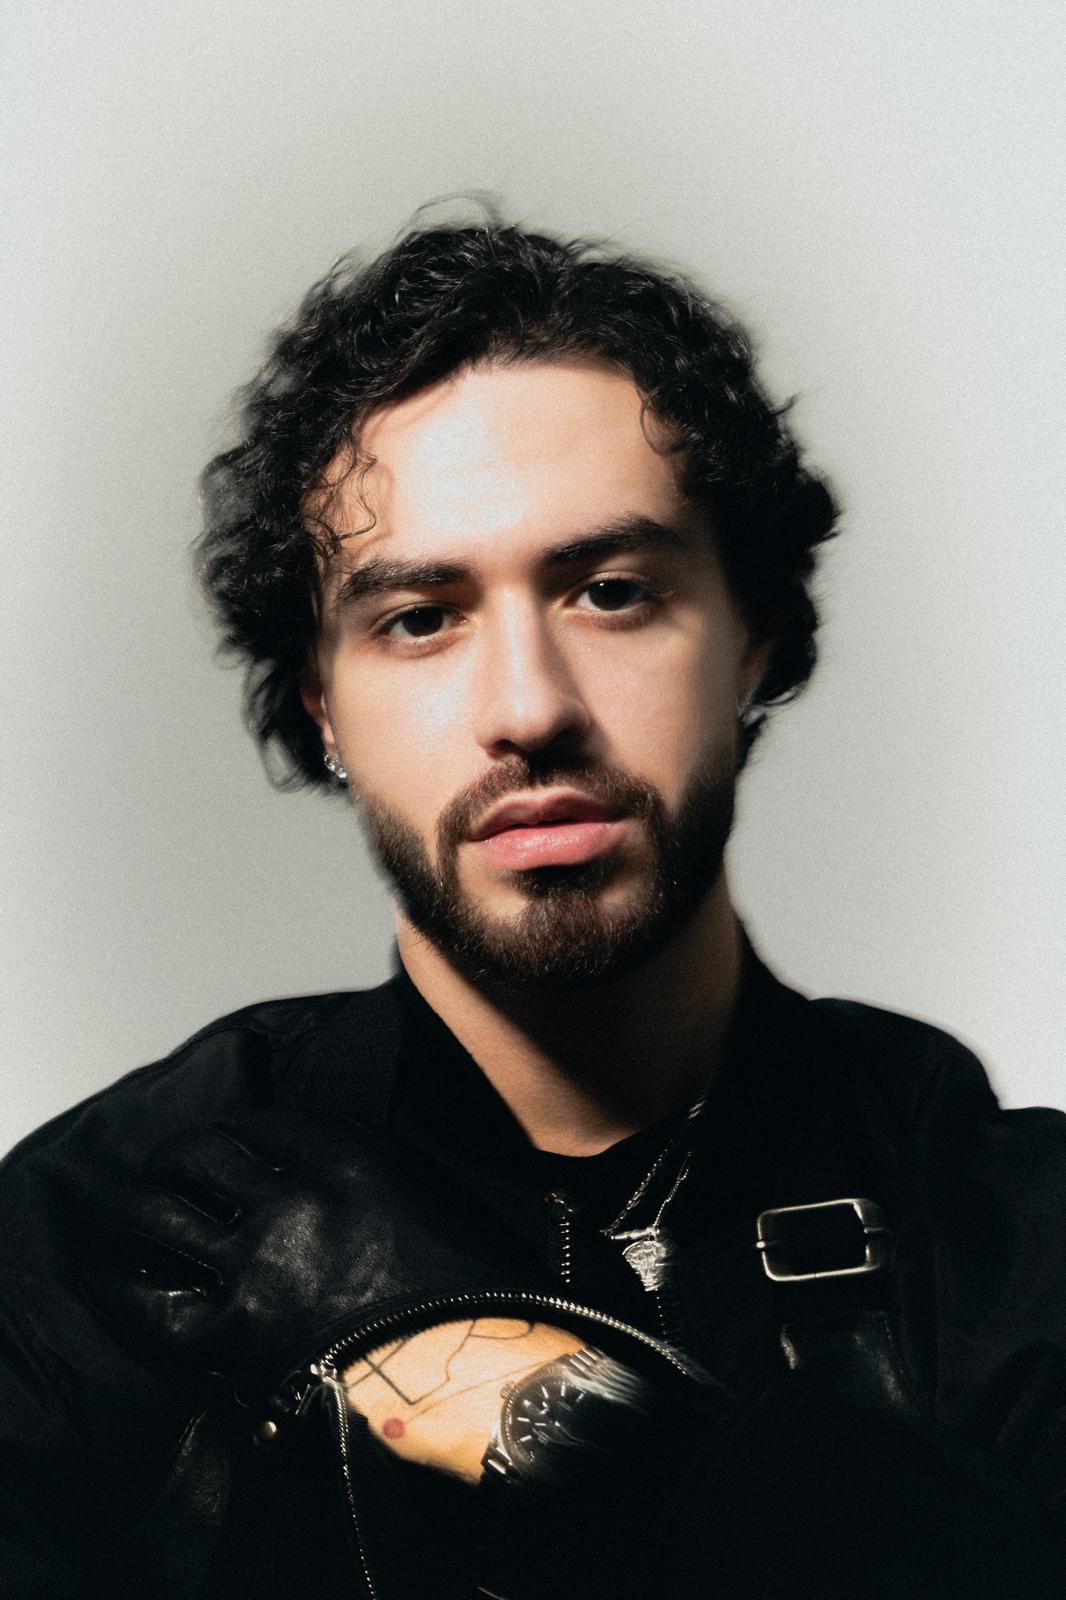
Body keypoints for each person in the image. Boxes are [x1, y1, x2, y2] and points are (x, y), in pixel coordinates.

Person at [1, 218, 1063, 1600]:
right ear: (321, 705)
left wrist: (535, 1390)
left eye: (610, 593)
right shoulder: (106, 1228)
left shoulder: (1001, 1229)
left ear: (753, 637)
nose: (529, 708)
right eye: (419, 618)